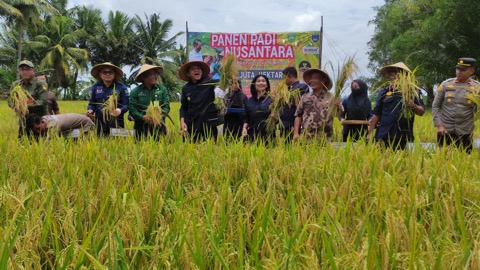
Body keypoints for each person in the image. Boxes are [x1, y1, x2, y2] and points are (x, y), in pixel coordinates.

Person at [368, 62, 425, 150]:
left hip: (402, 134)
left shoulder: (412, 92)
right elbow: (376, 113)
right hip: (384, 133)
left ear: (404, 76)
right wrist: (370, 134)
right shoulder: (384, 92)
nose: (392, 77)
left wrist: (413, 105)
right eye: (391, 75)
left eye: (396, 74)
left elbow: (421, 112)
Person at [432, 57, 479, 152]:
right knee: (442, 160)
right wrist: (439, 125)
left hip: (465, 131)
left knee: (464, 161)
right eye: (457, 69)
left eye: (463, 70)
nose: (459, 72)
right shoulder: (446, 84)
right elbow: (435, 105)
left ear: (471, 71)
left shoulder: (477, 87)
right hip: (445, 130)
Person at [179, 61, 223, 142]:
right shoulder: (186, 88)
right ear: (188, 74)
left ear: (202, 72)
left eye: (198, 68)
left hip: (209, 123)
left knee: (211, 149)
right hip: (192, 123)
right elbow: (183, 107)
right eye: (193, 69)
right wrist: (182, 121)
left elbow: (222, 82)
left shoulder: (209, 81)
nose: (196, 70)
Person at [293, 68, 340, 143]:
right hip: (306, 138)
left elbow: (339, 115)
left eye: (315, 79)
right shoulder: (305, 97)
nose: (312, 81)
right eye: (311, 79)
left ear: (323, 80)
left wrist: (338, 106)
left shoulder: (332, 97)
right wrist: (296, 133)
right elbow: (298, 115)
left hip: (325, 139)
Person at [86, 62, 129, 136]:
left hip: (116, 122)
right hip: (99, 123)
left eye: (110, 72)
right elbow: (91, 104)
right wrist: (90, 110)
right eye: (104, 72)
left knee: (118, 145)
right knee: (100, 144)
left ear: (114, 74)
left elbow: (127, 104)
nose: (107, 74)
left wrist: (120, 110)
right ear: (100, 74)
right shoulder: (95, 87)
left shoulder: (121, 87)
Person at [128, 64, 170, 140]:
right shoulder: (135, 91)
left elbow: (166, 106)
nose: (154, 76)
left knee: (160, 149)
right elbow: (132, 109)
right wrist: (143, 117)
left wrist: (159, 117)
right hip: (140, 128)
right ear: (143, 77)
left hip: (159, 126)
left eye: (155, 74)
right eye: (151, 75)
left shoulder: (162, 90)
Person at [9, 60, 48, 138]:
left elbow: (42, 102)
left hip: (38, 121)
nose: (25, 72)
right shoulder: (16, 85)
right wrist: (14, 105)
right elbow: (10, 100)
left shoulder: (40, 84)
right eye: (22, 69)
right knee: (22, 143)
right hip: (24, 120)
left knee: (40, 143)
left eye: (27, 69)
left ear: (33, 70)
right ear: (19, 72)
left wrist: (23, 105)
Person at [242, 75, 275, 143]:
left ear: (267, 85)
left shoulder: (272, 101)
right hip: (251, 136)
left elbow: (278, 118)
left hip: (268, 137)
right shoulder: (249, 101)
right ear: (254, 85)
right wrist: (244, 128)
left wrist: (275, 117)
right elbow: (247, 118)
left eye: (263, 81)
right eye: (258, 81)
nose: (261, 83)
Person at [279, 67, 309, 141]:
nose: (283, 80)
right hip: (285, 125)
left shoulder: (301, 87)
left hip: (293, 126)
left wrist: (295, 128)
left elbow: (299, 108)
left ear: (290, 76)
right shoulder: (289, 89)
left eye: (284, 77)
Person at [25, 113, 94, 137]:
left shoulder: (53, 125)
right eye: (36, 131)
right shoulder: (44, 118)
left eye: (38, 129)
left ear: (42, 122)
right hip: (73, 128)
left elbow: (49, 144)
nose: (38, 132)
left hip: (86, 125)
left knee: (84, 146)